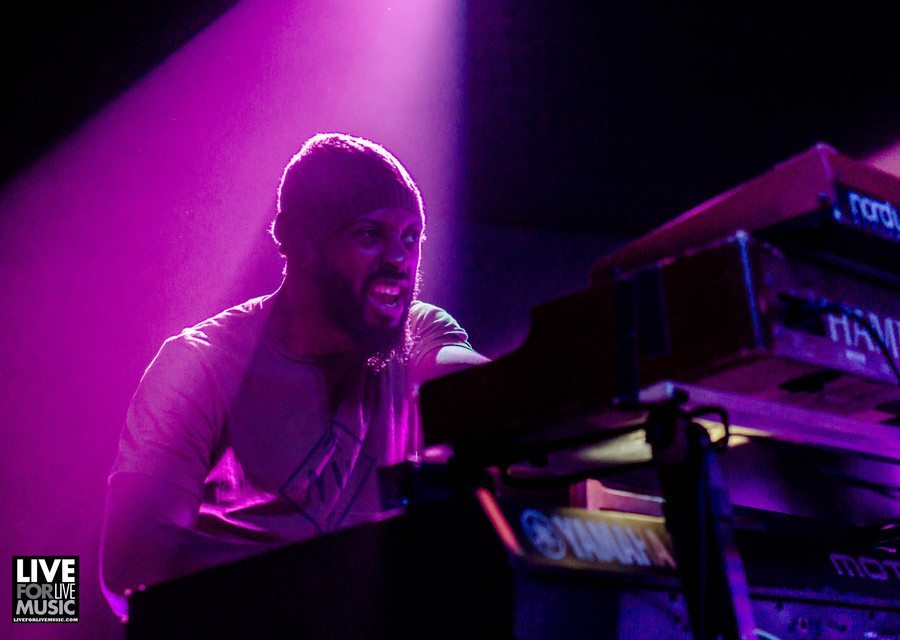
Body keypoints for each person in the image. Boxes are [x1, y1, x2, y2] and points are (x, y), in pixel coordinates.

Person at [100, 133, 487, 617]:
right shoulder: (200, 366)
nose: (399, 260)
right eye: (370, 235)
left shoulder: (418, 333)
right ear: (300, 243)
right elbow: (133, 561)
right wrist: (331, 577)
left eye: (410, 238)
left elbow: (481, 385)